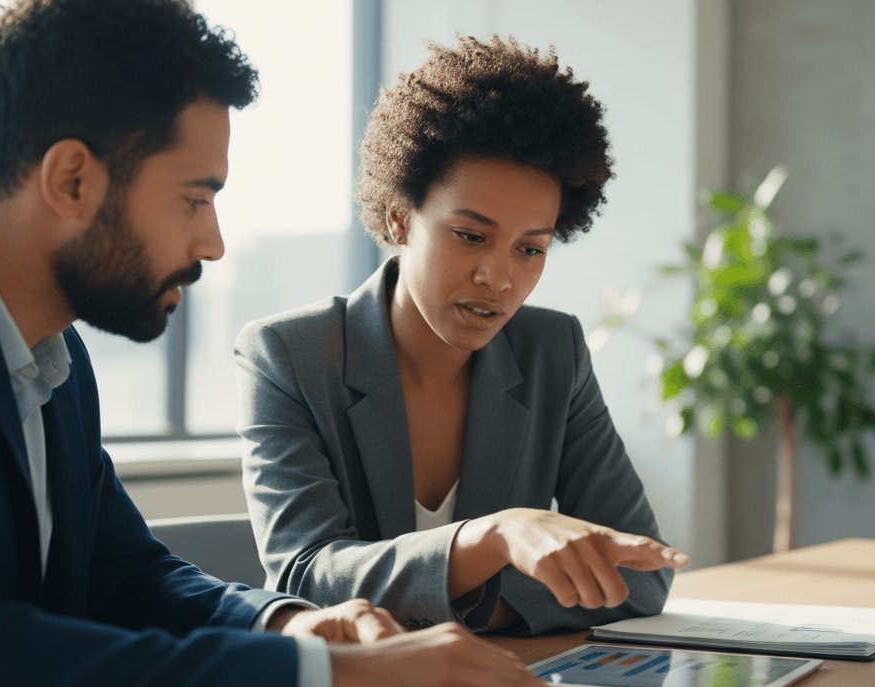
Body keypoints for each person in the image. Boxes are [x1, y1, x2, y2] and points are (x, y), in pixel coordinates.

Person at [0, 1, 580, 687]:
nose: (213, 242)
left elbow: (124, 574)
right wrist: (332, 684)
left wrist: (289, 626)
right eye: (194, 198)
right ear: (72, 180)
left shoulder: (49, 352)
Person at [235, 36, 687, 638]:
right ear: (400, 217)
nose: (498, 278)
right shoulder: (288, 356)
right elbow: (306, 578)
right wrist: (492, 539)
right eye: (471, 236)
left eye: (531, 249)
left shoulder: (553, 352)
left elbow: (643, 572)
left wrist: (471, 606)